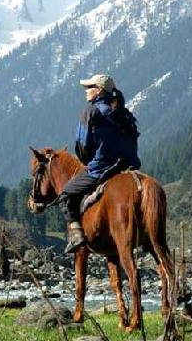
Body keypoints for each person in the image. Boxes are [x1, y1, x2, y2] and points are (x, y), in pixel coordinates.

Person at [60, 73, 141, 253]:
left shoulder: (91, 112)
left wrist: (87, 161)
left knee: (66, 194)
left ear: (98, 91)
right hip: (130, 167)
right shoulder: (125, 114)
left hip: (102, 168)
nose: (86, 92)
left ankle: (77, 235)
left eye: (89, 88)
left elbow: (81, 144)